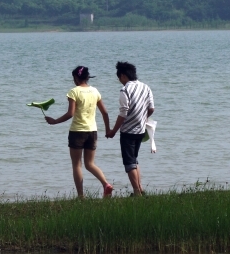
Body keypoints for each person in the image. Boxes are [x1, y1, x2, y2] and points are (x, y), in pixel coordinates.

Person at [45, 65, 114, 198]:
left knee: (77, 164)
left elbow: (70, 114)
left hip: (77, 131)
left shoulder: (74, 92)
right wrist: (107, 130)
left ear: (76, 78)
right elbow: (105, 112)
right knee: (90, 164)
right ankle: (106, 184)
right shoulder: (95, 91)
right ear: (87, 77)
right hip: (92, 131)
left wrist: (54, 121)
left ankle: (81, 196)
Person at [105, 61, 154, 196]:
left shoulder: (125, 89)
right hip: (141, 130)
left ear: (123, 76)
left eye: (119, 78)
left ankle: (137, 192)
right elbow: (151, 108)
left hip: (128, 131)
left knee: (129, 163)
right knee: (134, 159)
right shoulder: (146, 87)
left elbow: (123, 113)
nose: (120, 81)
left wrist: (113, 131)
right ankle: (140, 188)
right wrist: (142, 118)